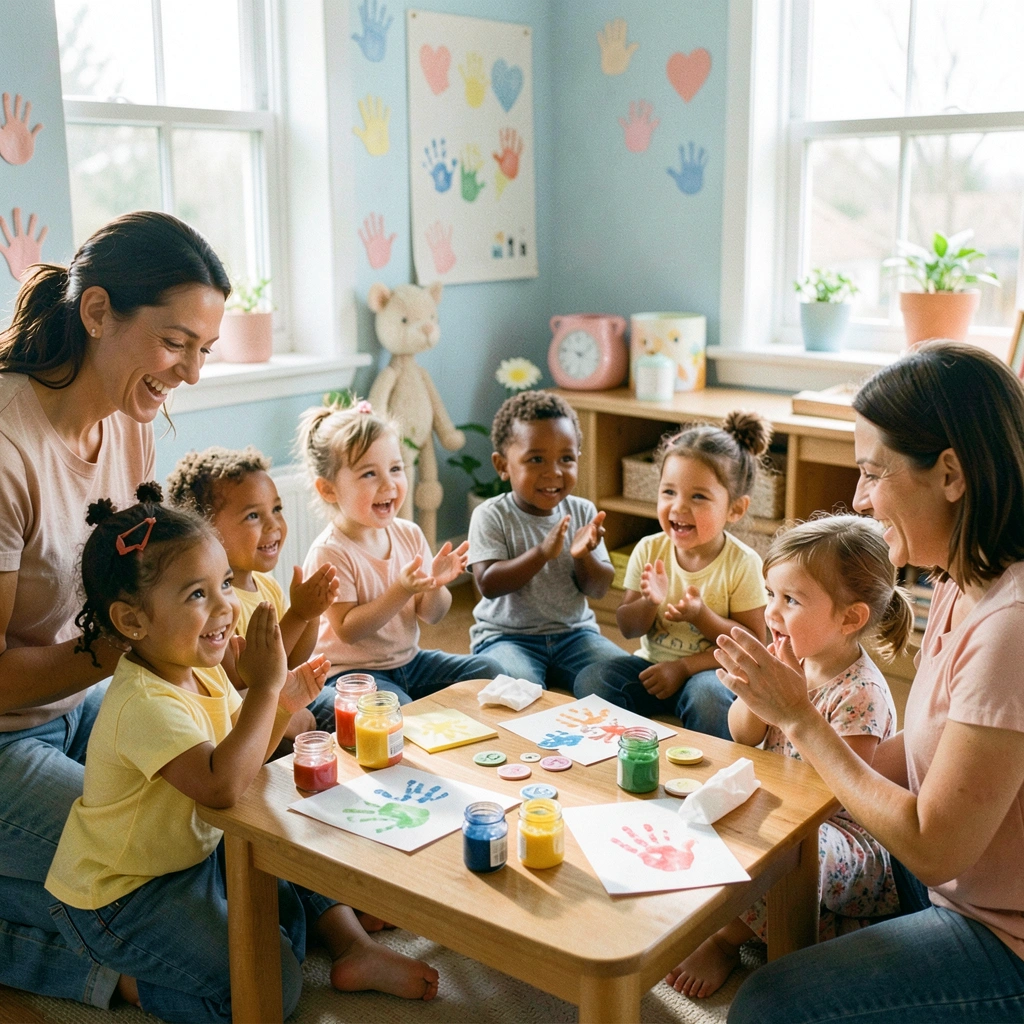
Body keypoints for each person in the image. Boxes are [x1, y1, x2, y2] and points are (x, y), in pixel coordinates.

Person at [43, 484, 439, 1022]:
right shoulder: (142, 703)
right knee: (272, 984)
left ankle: (352, 948)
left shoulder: (198, 669)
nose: (227, 605)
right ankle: (132, 983)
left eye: (224, 583)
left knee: (290, 868)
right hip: (125, 896)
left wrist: (281, 701)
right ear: (132, 622)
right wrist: (269, 688)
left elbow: (239, 740)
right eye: (197, 595)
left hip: (192, 857)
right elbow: (222, 784)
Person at [722, 342, 1024, 1023]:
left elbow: (932, 841)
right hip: (954, 880)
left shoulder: (1012, 626)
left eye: (872, 472)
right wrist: (768, 804)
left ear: (950, 473)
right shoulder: (956, 579)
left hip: (1004, 935)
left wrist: (802, 721)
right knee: (785, 851)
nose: (858, 496)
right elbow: (919, 761)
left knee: (770, 1005)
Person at [0, 212, 229, 1007]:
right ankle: (84, 959)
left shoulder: (130, 428)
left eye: (205, 349)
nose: (191, 373)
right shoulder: (6, 447)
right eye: (176, 343)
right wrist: (140, 639)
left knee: (209, 816)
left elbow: (141, 588)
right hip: (6, 738)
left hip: (88, 701)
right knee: (162, 851)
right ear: (97, 313)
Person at [668, 515, 908, 998]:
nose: (771, 613)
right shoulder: (788, 661)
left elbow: (840, 796)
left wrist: (791, 710)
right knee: (699, 811)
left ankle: (727, 938)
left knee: (784, 851)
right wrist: (755, 699)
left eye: (790, 600)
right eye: (770, 594)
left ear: (849, 618)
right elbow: (741, 735)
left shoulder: (861, 692)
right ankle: (748, 913)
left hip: (839, 835)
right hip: (782, 806)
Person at [574, 412, 769, 738]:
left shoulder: (743, 563)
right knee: (591, 680)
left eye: (698, 496)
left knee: (707, 698)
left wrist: (698, 625)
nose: (678, 507)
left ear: (735, 509)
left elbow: (751, 646)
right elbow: (627, 627)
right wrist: (650, 601)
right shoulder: (649, 549)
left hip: (712, 673)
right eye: (668, 492)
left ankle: (705, 763)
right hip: (653, 665)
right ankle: (636, 745)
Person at [297, 398, 501, 704]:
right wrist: (402, 590)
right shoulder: (330, 552)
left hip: (409, 662)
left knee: (490, 669)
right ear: (328, 489)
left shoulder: (409, 533)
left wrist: (435, 585)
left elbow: (432, 616)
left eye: (395, 468)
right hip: (350, 674)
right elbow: (349, 631)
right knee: (395, 713)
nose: (389, 484)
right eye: (369, 474)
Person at [166, 445, 340, 738]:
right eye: (253, 516)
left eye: (276, 509)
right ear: (205, 530)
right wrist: (297, 614)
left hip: (281, 692)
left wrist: (311, 614)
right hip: (245, 716)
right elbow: (246, 679)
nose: (273, 524)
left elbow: (293, 660)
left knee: (359, 706)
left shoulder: (267, 585)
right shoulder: (214, 606)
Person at [467, 390, 625, 689]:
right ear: (502, 465)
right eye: (536, 459)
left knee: (618, 677)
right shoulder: (490, 515)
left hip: (575, 635)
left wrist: (583, 555)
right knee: (518, 689)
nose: (553, 472)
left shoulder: (582, 511)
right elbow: (488, 584)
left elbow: (599, 588)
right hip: (506, 637)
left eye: (566, 458)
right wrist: (541, 553)